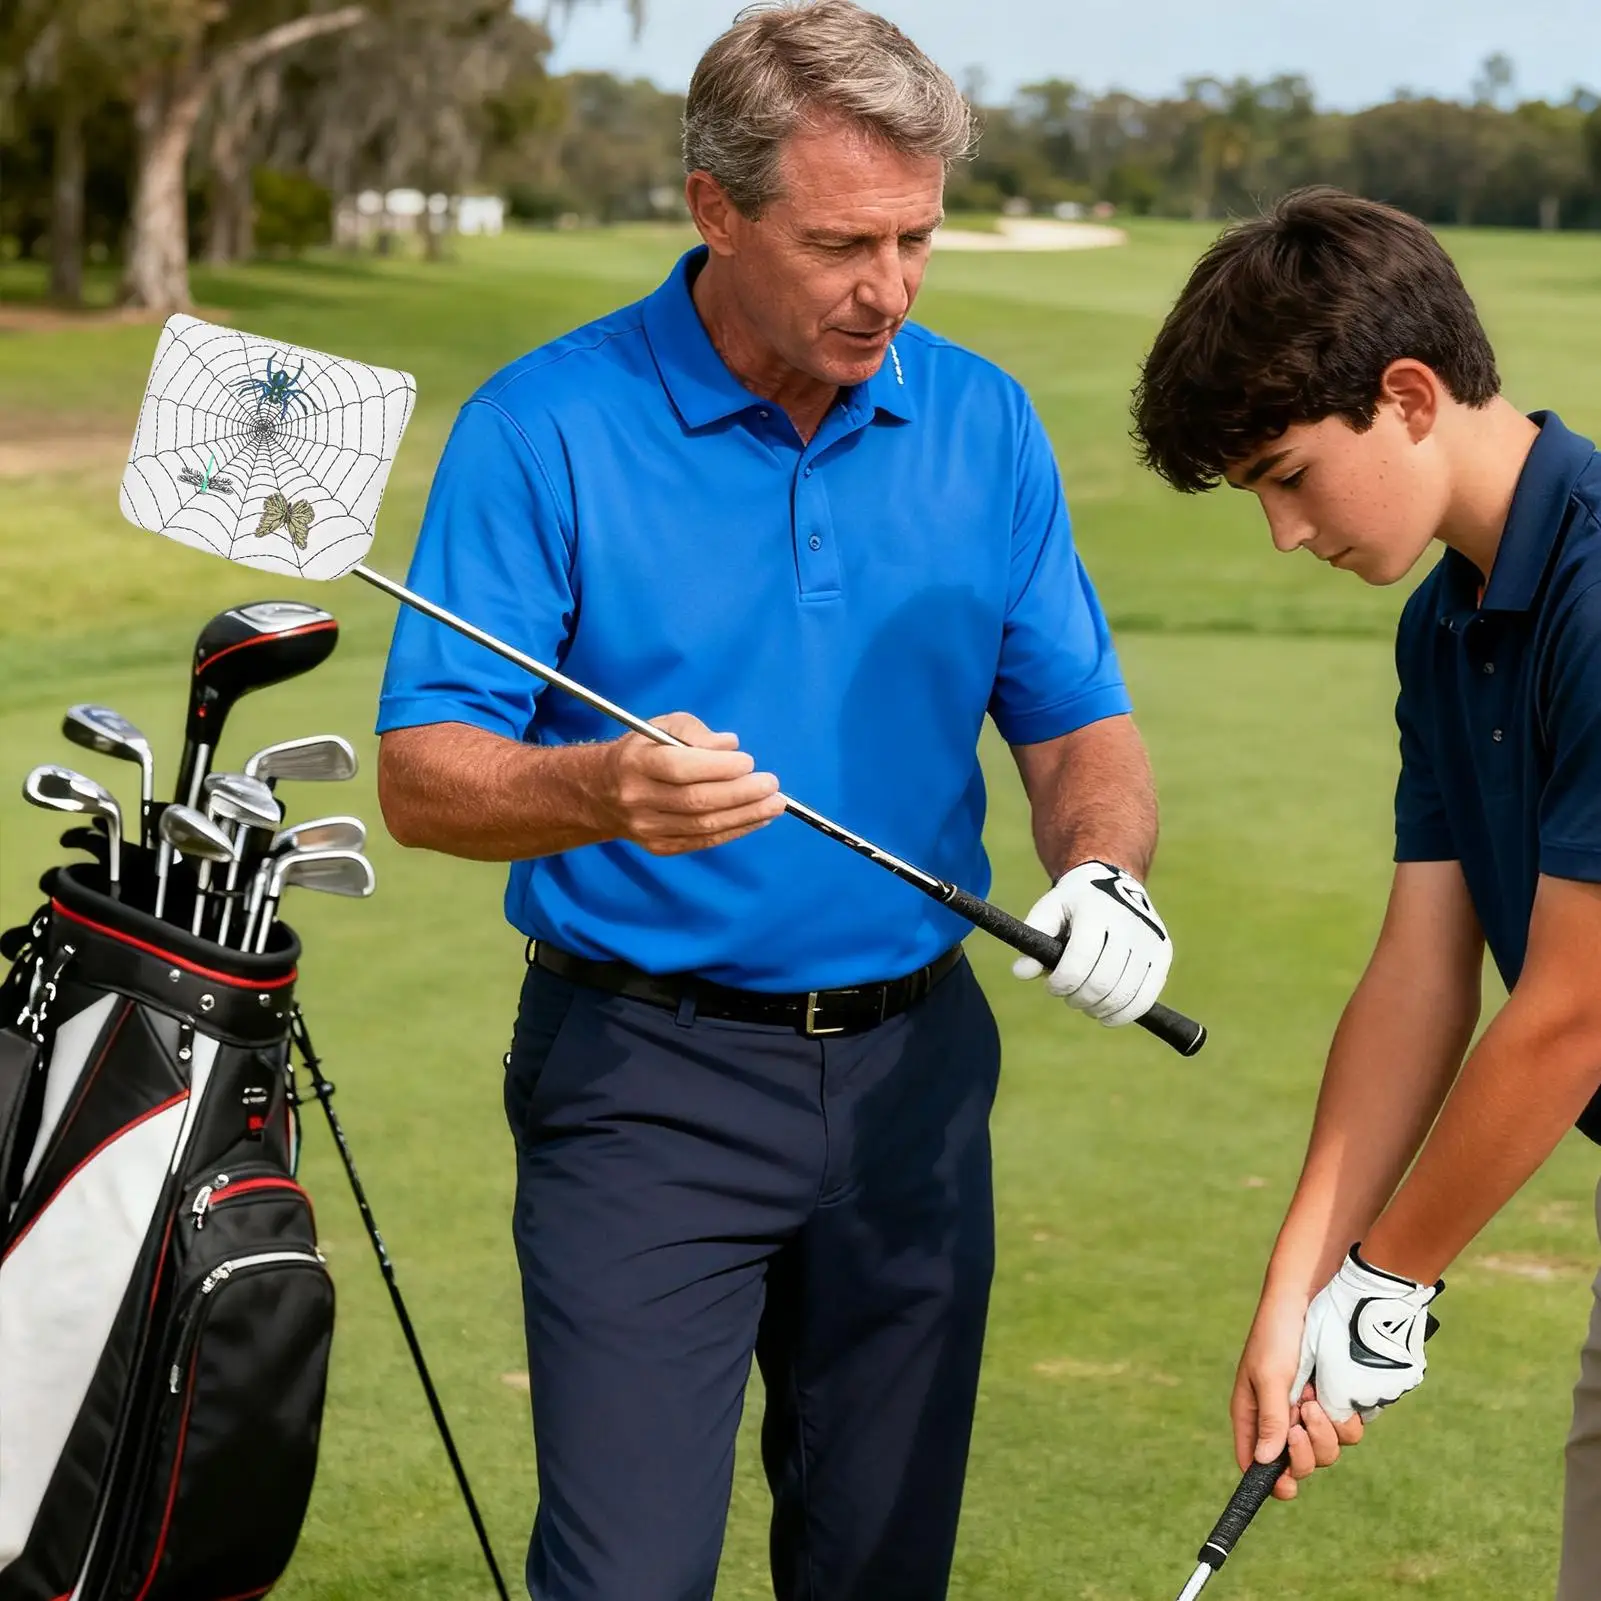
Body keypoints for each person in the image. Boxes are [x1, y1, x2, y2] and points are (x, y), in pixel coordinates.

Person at [376, 4, 1176, 1597]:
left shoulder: (980, 418)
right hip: (642, 1087)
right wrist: (602, 785)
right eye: (841, 243)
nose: (888, 288)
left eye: (918, 240)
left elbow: (1081, 726)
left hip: (915, 1083)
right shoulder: (545, 426)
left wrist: (1105, 873)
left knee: (879, 1570)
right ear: (713, 207)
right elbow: (424, 776)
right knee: (626, 1581)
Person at [1132, 184, 1601, 1597]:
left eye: (1288, 473)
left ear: (1407, 395)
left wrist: (1388, 1288)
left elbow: (1575, 1013)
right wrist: (1302, 1289)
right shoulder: (1446, 623)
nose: (1283, 531)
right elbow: (1419, 974)